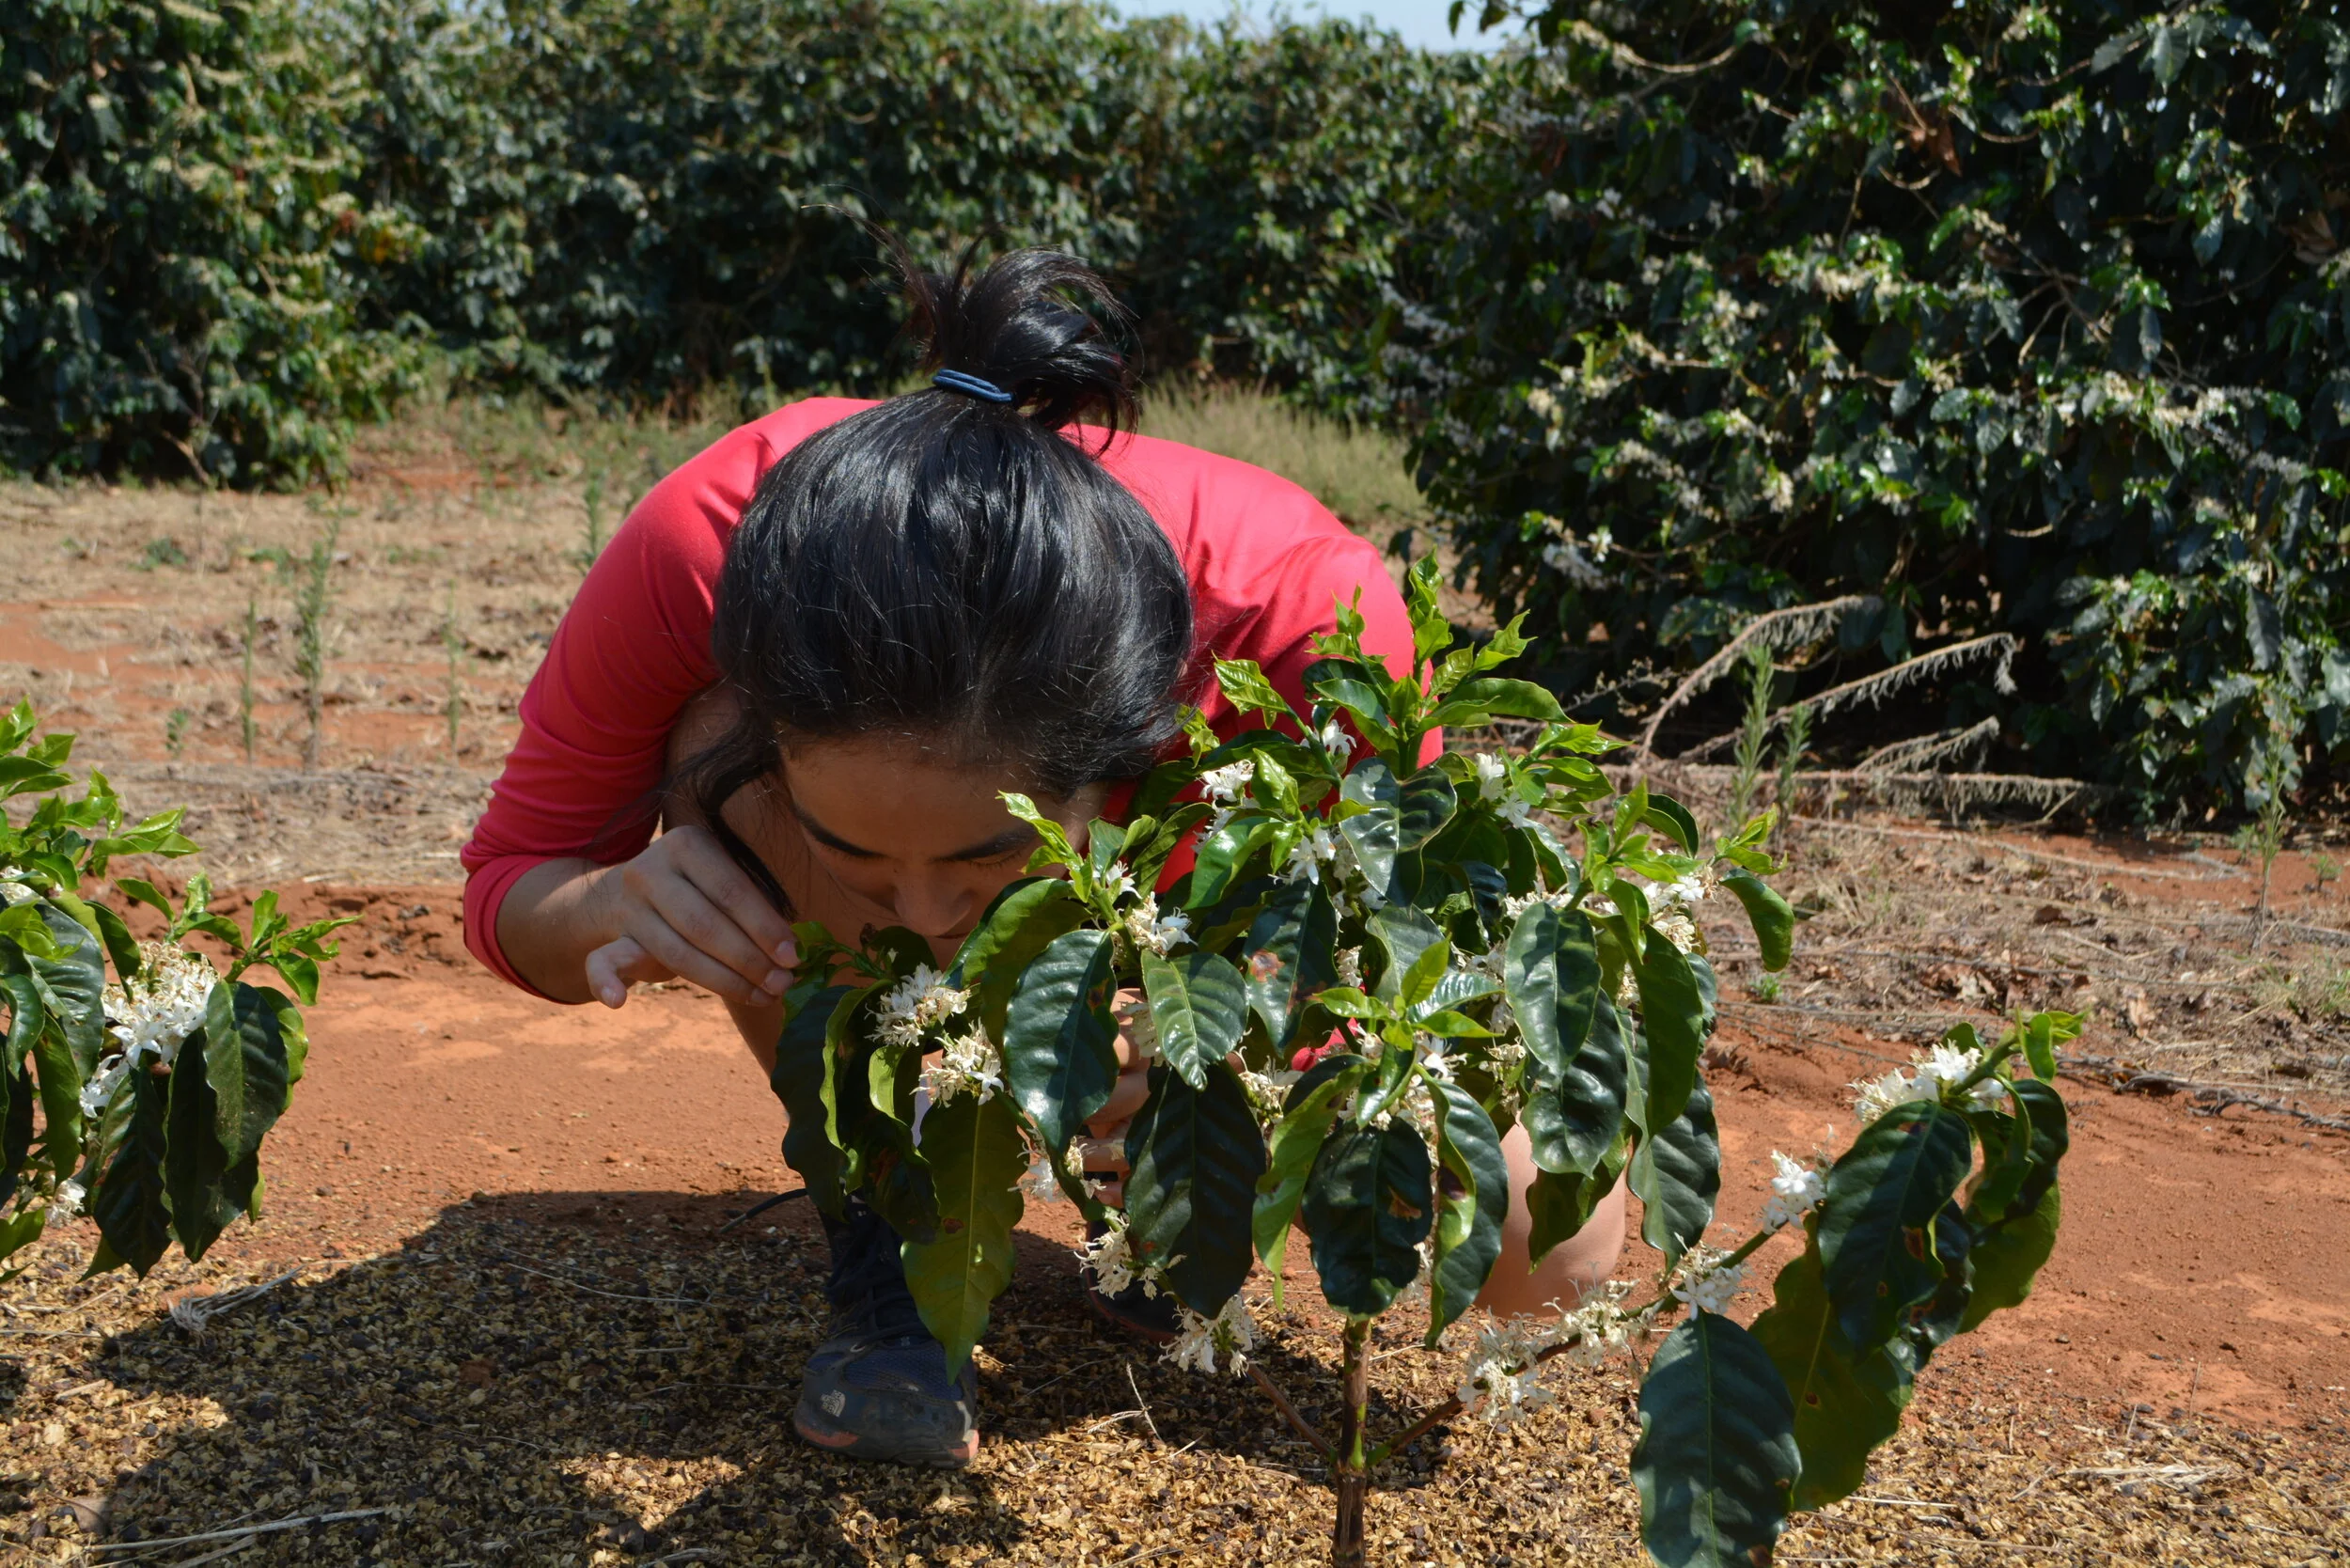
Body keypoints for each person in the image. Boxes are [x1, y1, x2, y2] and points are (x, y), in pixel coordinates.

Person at [460, 247, 1622, 1470]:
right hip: (965, 855)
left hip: (1203, 932)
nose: (916, 920)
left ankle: (1166, 1197)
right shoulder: (716, 543)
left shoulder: (1302, 620)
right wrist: (612, 902)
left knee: (1546, 1256)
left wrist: (1221, 1052)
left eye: (978, 865)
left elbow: (1377, 961)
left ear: (1127, 757)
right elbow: (512, 883)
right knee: (707, 745)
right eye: (865, 862)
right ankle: (895, 1218)